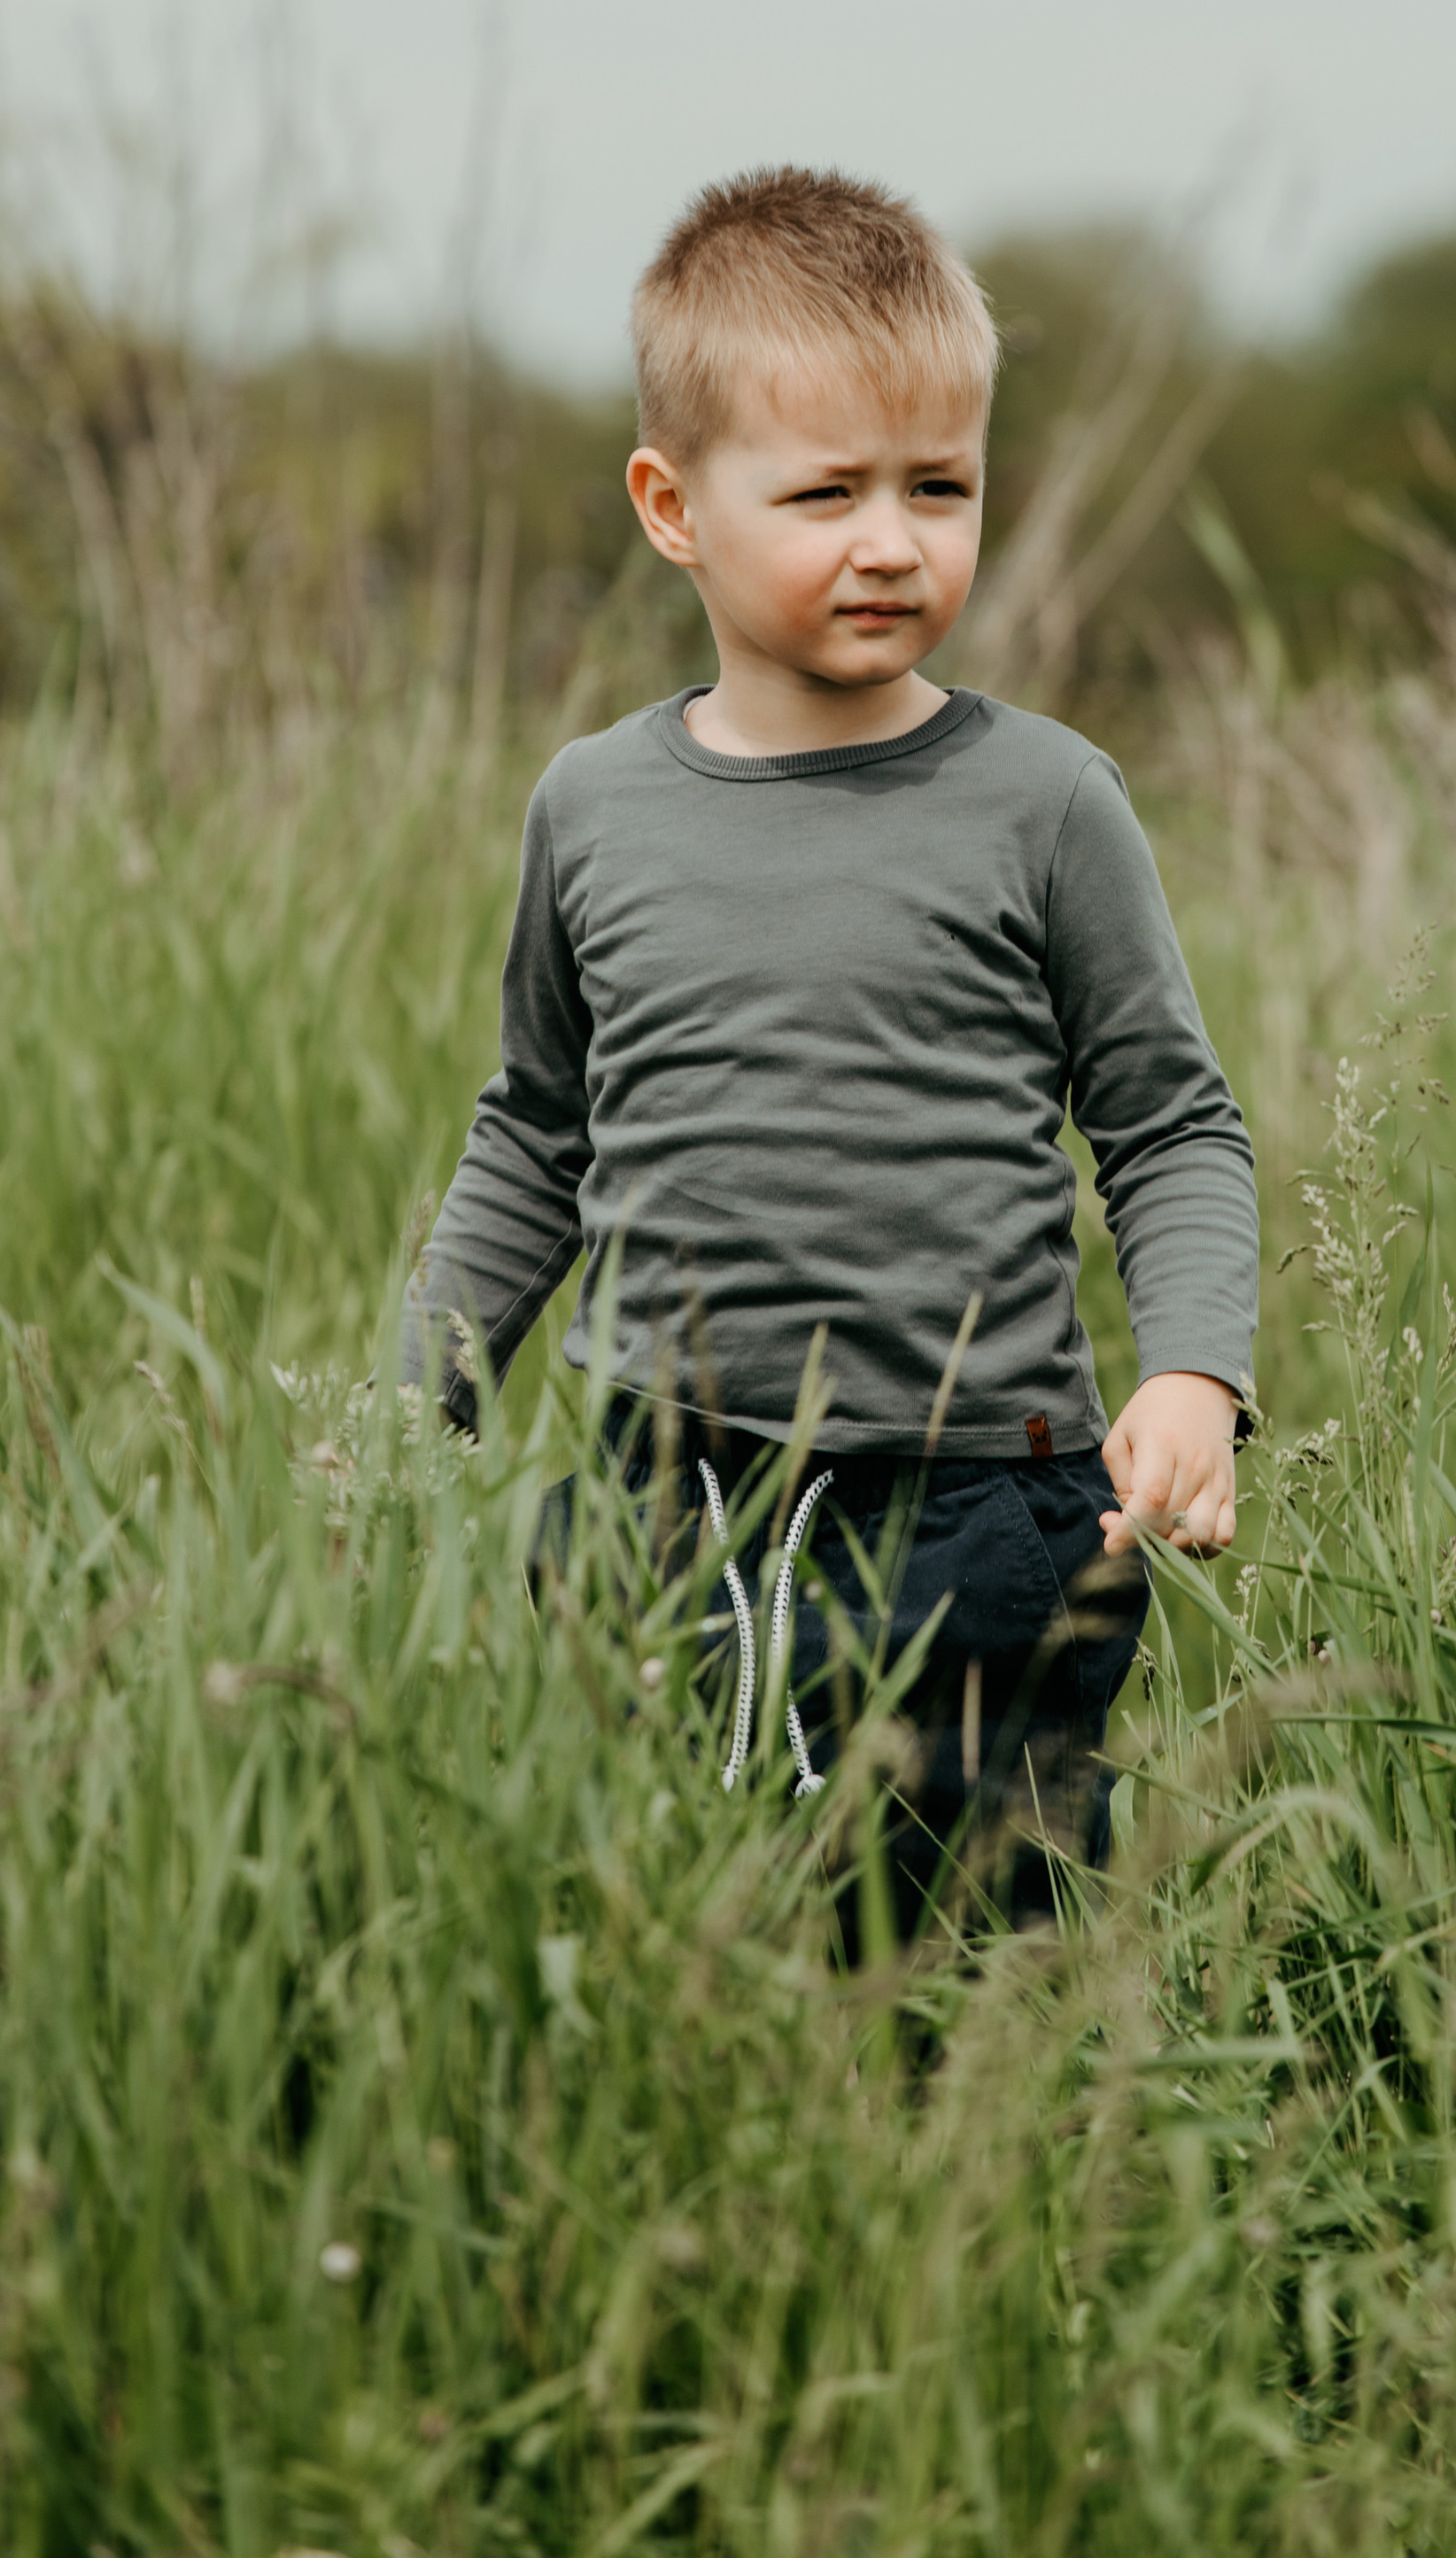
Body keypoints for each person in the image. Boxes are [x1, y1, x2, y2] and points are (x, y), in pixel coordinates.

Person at [405, 166, 1259, 1934]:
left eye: (937, 487)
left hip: (983, 1511)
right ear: (672, 506)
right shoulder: (595, 810)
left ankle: (982, 2202)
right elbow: (531, 1139)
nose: (891, 540)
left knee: (971, 1955)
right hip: (661, 1499)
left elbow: (1167, 1127)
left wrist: (1189, 1372)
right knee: (680, 1929)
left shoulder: (1041, 804)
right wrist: (413, 1404)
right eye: (823, 492)